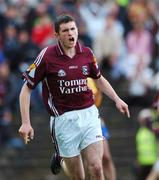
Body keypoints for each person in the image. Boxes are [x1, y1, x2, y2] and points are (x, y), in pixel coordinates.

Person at [18, 14, 130, 180]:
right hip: (63, 120)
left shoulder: (86, 53)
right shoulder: (47, 56)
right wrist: (26, 123)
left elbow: (99, 79)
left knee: (97, 167)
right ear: (56, 35)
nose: (70, 33)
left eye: (73, 29)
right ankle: (60, 158)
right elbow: (25, 90)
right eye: (65, 30)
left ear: (77, 30)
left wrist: (117, 99)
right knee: (79, 177)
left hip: (89, 115)